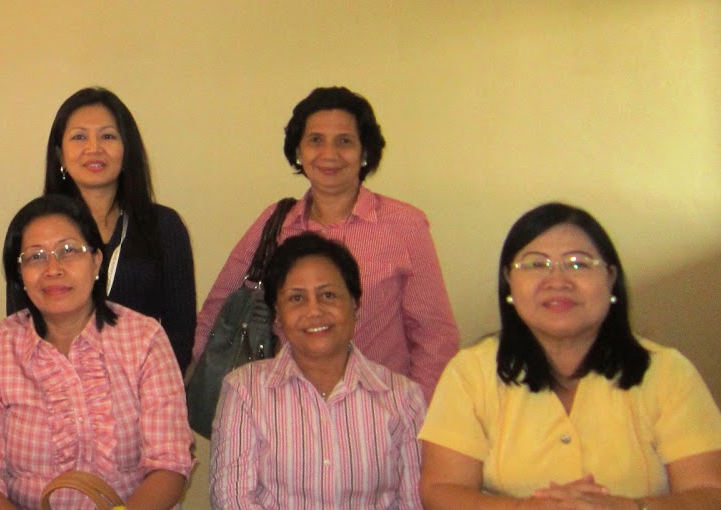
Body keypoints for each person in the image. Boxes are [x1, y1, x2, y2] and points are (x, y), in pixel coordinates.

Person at [420, 202, 721, 509]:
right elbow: (442, 489)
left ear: (611, 279)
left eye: (578, 264)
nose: (557, 281)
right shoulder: (470, 372)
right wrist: (526, 509)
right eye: (536, 264)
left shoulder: (668, 372)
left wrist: (630, 508)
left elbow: (709, 493)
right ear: (509, 282)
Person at [194, 86, 458, 398]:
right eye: (315, 140)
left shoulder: (404, 225)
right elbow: (217, 308)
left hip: (381, 410)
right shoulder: (275, 223)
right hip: (285, 408)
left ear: (365, 152)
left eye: (344, 141)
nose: (329, 154)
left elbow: (434, 335)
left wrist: (418, 413)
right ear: (298, 151)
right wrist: (182, 373)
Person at [0, 194, 193, 509]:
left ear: (96, 261)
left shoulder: (144, 339)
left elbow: (170, 463)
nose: (53, 269)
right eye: (35, 256)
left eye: (68, 251)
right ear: (20, 274)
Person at [210, 232, 423, 509]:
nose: (314, 311)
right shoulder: (244, 390)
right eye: (296, 298)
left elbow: (413, 502)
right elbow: (232, 500)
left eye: (328, 295)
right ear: (277, 314)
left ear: (355, 304)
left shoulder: (403, 398)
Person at [17, 86, 196, 372]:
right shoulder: (35, 230)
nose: (94, 148)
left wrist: (148, 386)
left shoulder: (164, 226)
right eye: (79, 137)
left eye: (108, 136)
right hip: (53, 387)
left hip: (145, 388)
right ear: (60, 156)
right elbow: (21, 325)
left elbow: (180, 331)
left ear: (127, 151)